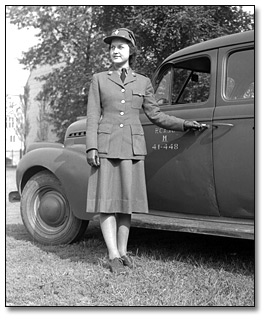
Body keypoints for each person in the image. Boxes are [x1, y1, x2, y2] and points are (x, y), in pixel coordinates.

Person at [86, 28, 202, 274]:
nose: (115, 50)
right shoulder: (99, 79)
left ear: (131, 51)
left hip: (131, 148)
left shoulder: (143, 82)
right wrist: (91, 146)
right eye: (112, 47)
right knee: (106, 203)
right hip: (105, 147)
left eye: (121, 46)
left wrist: (183, 124)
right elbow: (93, 114)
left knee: (125, 204)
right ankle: (112, 255)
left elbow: (156, 114)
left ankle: (124, 251)